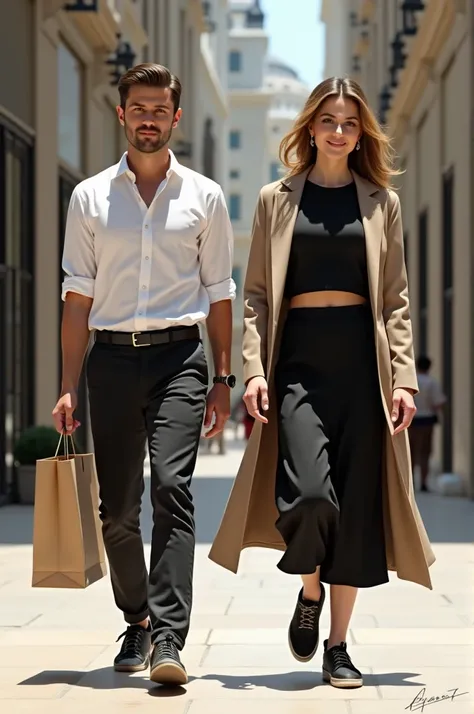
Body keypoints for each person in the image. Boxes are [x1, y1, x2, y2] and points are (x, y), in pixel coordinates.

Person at [208, 76, 435, 689]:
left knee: (356, 509)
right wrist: (253, 371)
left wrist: (405, 379)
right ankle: (309, 591)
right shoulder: (274, 199)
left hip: (364, 370)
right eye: (329, 120)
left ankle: (338, 645)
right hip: (298, 368)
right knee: (310, 495)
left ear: (361, 133)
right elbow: (253, 295)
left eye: (350, 123)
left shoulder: (380, 203)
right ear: (310, 127)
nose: (339, 131)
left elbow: (396, 302)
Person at [52, 63, 237, 687]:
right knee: (117, 511)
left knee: (173, 491)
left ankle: (168, 636)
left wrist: (222, 379)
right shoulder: (90, 197)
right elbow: (76, 297)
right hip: (109, 359)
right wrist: (68, 384)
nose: (149, 118)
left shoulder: (205, 196)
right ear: (122, 114)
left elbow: (218, 294)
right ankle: (135, 618)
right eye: (139, 108)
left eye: (160, 109)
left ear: (175, 117)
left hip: (181, 358)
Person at [409, 355, 446, 492]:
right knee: (425, 452)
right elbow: (438, 403)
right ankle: (423, 482)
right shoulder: (432, 382)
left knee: (411, 452)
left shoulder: (412, 381)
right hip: (427, 420)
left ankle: (410, 481)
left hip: (411, 419)